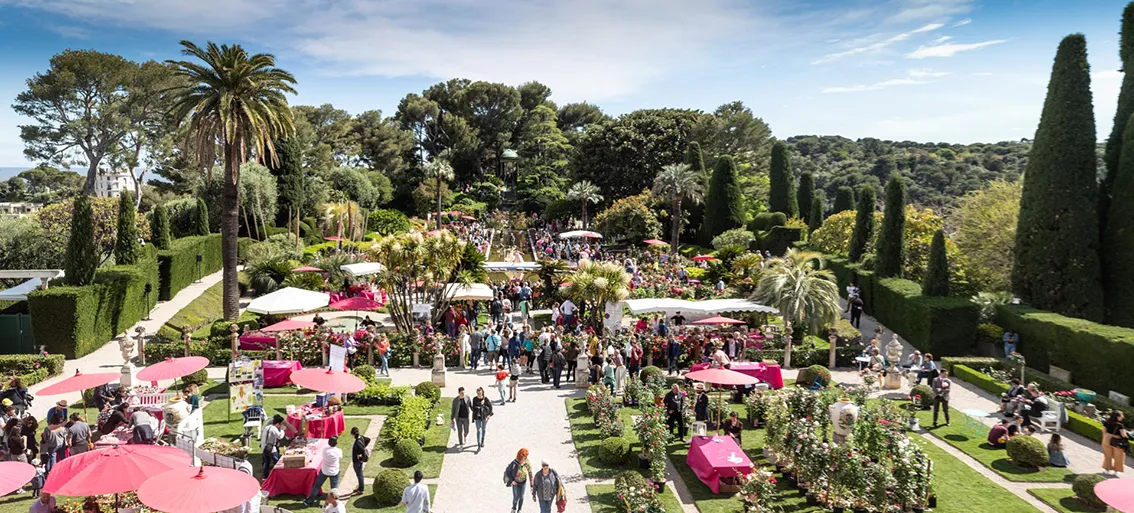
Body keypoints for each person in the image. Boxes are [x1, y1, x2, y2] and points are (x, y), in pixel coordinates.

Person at [304, 436, 343, 506]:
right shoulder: (338, 451)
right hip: (334, 471)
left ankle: (310, 501)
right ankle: (335, 503)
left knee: (317, 486)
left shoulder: (325, 450)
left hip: (325, 470)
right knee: (334, 489)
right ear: (336, 443)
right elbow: (340, 457)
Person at [505, 449, 533, 513]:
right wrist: (512, 481)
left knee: (521, 497)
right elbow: (507, 472)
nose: (526, 458)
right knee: (515, 497)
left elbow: (530, 473)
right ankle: (514, 508)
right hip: (515, 483)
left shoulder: (527, 462)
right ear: (520, 457)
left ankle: (520, 510)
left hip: (523, 483)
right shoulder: (514, 463)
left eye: (526, 456)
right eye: (524, 456)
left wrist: (532, 484)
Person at [1102, 411, 1128, 475]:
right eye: (1121, 416)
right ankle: (1117, 471)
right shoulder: (1120, 425)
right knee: (1119, 456)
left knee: (1108, 455)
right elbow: (1123, 435)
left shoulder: (1106, 422)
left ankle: (1106, 469)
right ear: (1117, 417)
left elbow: (1103, 431)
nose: (1123, 417)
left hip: (1106, 439)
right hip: (1117, 441)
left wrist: (1107, 437)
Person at [350, 426, 371, 494]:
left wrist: (360, 453)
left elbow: (362, 449)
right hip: (359, 461)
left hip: (357, 461)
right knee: (359, 475)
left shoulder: (357, 443)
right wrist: (364, 446)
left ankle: (361, 489)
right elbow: (368, 439)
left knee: (359, 475)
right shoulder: (361, 437)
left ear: (353, 434)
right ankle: (360, 487)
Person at [472, 387, 494, 452]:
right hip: (477, 417)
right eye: (478, 393)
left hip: (484, 417)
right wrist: (479, 406)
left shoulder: (485, 399)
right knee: (478, 430)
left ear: (482, 393)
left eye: (480, 393)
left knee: (483, 429)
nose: (479, 394)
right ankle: (478, 445)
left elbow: (490, 407)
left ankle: (482, 441)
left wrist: (489, 415)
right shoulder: (474, 399)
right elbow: (473, 408)